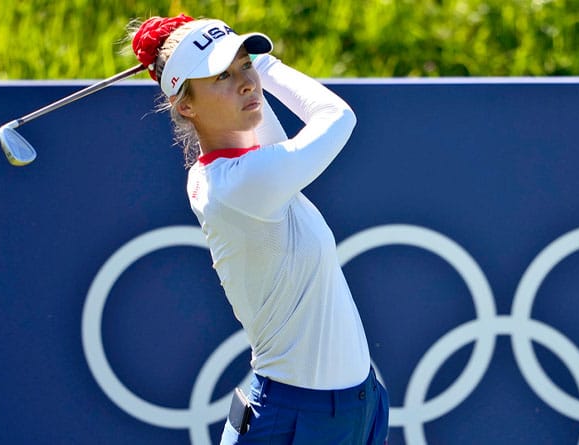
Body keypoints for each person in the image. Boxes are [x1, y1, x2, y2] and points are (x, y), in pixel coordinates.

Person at [130, 14, 389, 445]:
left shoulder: (235, 170)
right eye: (222, 76)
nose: (245, 83)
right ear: (186, 106)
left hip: (355, 405)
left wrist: (234, 60)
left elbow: (263, 132)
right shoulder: (241, 184)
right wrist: (264, 66)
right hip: (295, 417)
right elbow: (336, 116)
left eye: (245, 65)